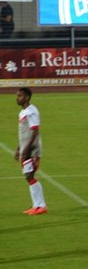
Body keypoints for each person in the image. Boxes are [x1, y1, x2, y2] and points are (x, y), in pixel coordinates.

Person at [15, 87, 47, 215]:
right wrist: (19, 148)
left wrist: (27, 149)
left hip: (32, 150)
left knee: (30, 175)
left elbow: (35, 131)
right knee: (28, 176)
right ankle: (37, 206)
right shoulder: (23, 112)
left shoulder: (31, 111)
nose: (17, 98)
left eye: (20, 96)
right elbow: (24, 133)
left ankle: (41, 206)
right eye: (17, 96)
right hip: (25, 149)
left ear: (27, 97)